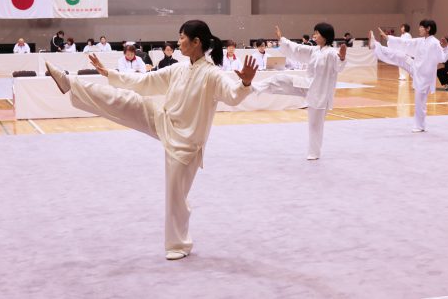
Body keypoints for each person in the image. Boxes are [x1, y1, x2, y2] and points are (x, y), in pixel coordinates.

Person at [45, 19, 258, 260]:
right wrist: (108, 73)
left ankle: (178, 244)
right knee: (124, 100)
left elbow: (232, 96)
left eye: (182, 38)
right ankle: (70, 83)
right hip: (162, 120)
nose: (178, 43)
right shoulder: (178, 68)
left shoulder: (212, 74)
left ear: (196, 42)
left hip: (186, 144)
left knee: (175, 195)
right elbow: (145, 82)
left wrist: (246, 82)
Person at [255, 23, 347, 160]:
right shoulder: (314, 50)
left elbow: (339, 66)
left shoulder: (332, 53)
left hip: (320, 94)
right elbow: (297, 49)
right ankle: (256, 87)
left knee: (315, 125)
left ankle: (314, 152)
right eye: (314, 33)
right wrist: (282, 40)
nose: (314, 36)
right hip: (307, 85)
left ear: (325, 36)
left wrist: (342, 58)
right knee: (281, 79)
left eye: (317, 33)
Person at [368, 19, 448, 132]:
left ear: (428, 28)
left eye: (421, 27)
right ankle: (376, 46)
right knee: (399, 56)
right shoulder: (421, 41)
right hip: (415, 68)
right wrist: (387, 37)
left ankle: (420, 126)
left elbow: (442, 58)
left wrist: (445, 47)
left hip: (425, 76)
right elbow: (405, 43)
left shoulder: (434, 43)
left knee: (420, 102)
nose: (419, 29)